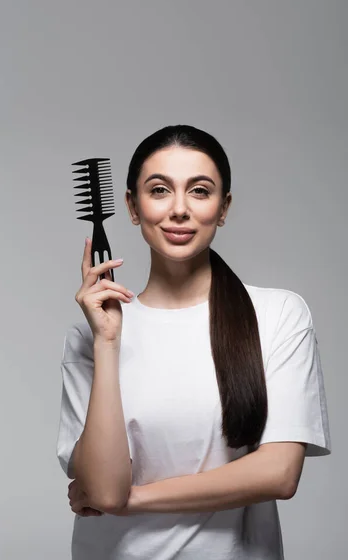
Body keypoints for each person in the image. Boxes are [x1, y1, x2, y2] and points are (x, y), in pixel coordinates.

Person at [56, 124, 332, 559]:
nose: (179, 209)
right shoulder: (90, 337)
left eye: (200, 191)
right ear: (132, 206)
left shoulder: (278, 315)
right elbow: (105, 491)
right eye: (160, 190)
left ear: (223, 209)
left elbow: (279, 473)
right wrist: (107, 343)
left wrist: (137, 499)